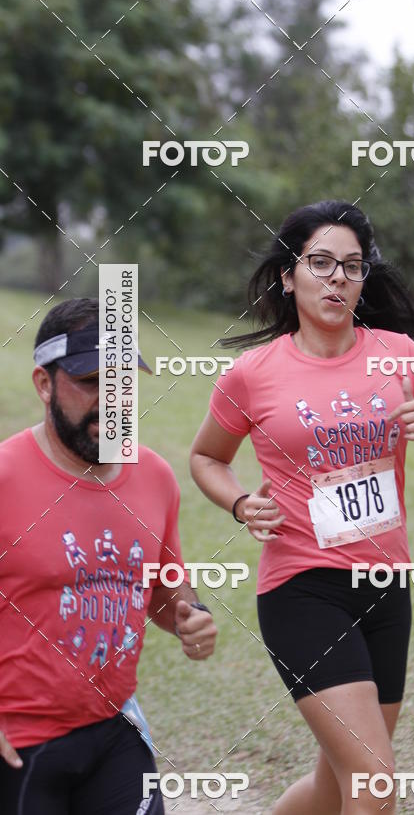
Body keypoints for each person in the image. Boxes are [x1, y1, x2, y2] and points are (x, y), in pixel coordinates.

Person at [190, 200, 414, 813]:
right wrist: (240, 503)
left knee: (334, 784)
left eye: (352, 265)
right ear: (289, 276)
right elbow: (206, 458)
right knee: (374, 782)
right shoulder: (252, 374)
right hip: (301, 588)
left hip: (385, 586)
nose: (337, 277)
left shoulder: (401, 356)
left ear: (364, 278)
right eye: (320, 262)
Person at [0, 298, 217, 815]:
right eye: (91, 382)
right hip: (20, 743)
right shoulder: (5, 477)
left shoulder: (155, 477)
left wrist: (191, 616)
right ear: (44, 384)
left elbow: (164, 591)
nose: (111, 401)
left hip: (115, 728)